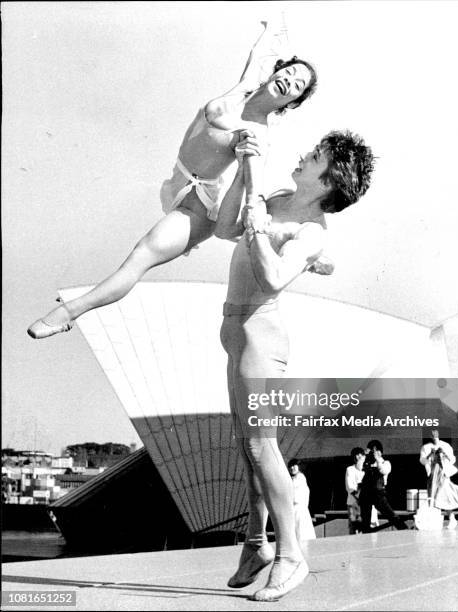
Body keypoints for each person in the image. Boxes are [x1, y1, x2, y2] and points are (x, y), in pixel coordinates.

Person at [27, 22, 318, 339]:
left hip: (199, 206)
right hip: (178, 179)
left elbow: (252, 187)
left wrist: (253, 209)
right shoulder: (244, 87)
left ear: (292, 103)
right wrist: (273, 26)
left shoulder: (258, 135)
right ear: (276, 72)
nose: (289, 81)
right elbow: (260, 52)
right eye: (289, 73)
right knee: (141, 251)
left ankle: (67, 313)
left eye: (297, 86)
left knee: (141, 255)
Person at [217, 128, 374, 600]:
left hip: (261, 337)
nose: (303, 156)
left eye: (315, 157)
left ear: (328, 182)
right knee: (250, 448)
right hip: (234, 330)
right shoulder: (279, 196)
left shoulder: (310, 232)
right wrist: (247, 178)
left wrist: (258, 221)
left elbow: (271, 276)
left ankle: (290, 556)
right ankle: (255, 545)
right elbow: (227, 229)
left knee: (263, 448)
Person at [419, 429, 458, 529]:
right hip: (433, 473)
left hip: (443, 473)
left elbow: (452, 459)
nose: (434, 435)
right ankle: (443, 519)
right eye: (432, 434)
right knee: (435, 497)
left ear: (438, 434)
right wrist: (430, 454)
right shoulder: (426, 447)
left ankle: (452, 518)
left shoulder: (445, 445)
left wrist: (444, 454)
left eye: (435, 433)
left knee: (443, 493)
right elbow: (422, 460)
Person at [359, 440, 407, 534]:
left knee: (391, 515)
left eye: (377, 450)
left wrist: (378, 459)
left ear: (381, 452)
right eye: (373, 451)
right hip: (366, 494)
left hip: (378, 494)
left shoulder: (386, 463)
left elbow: (383, 471)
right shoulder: (366, 463)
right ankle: (366, 539)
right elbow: (359, 470)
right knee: (365, 521)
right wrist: (364, 457)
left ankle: (405, 531)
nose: (374, 453)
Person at [288, 459, 316, 542]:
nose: (292, 468)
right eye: (290, 466)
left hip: (299, 508)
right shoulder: (292, 478)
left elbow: (295, 495)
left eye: (294, 465)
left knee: (301, 531)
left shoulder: (300, 477)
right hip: (294, 509)